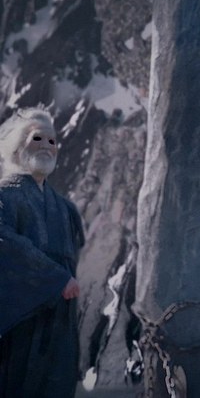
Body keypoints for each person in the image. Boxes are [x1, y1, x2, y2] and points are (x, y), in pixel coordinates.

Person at [0, 108, 84, 397]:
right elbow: (4, 243)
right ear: (17, 147)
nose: (47, 146)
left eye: (52, 141)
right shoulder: (4, 197)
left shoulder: (66, 209)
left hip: (61, 326)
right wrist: (56, 279)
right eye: (38, 138)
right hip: (20, 325)